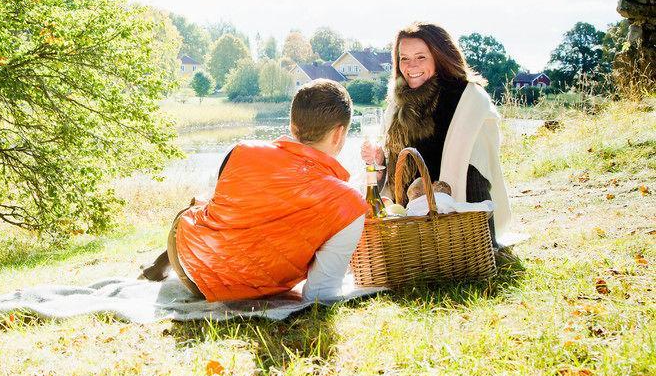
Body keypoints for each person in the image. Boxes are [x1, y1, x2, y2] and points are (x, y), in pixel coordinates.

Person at [141, 80, 369, 302]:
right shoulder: (350, 203)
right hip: (256, 290)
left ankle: (159, 264)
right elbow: (320, 294)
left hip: (193, 274)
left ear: (292, 127)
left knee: (197, 208)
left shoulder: (241, 150)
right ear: (339, 134)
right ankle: (159, 264)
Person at [361, 22, 511, 238]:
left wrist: (480, 235)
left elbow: (479, 164)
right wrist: (380, 161)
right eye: (404, 58)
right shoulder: (397, 104)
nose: (411, 66)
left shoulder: (466, 98)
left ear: (439, 57)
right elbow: (397, 166)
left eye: (421, 57)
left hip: (453, 219)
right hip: (409, 216)